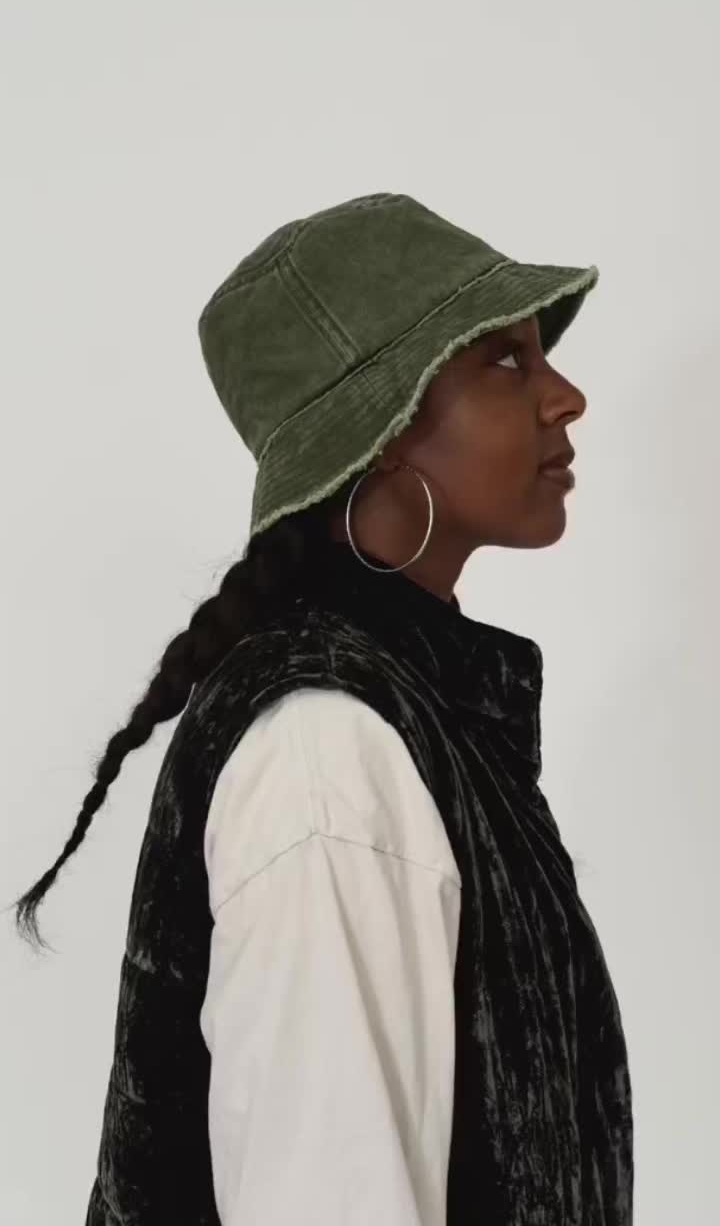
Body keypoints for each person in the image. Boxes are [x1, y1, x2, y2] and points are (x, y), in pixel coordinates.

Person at [10, 192, 634, 1224]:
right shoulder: (328, 752)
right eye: (505, 361)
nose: (565, 397)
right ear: (381, 434)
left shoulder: (411, 713)